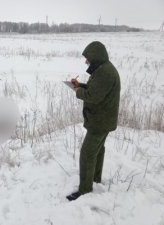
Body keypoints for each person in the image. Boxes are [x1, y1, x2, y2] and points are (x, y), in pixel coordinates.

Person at [66, 41, 121, 201]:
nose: (86, 62)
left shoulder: (105, 73)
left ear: (96, 57)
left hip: (100, 121)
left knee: (87, 153)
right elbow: (95, 89)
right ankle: (95, 180)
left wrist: (77, 91)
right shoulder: (103, 69)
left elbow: (93, 96)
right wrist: (80, 85)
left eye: (88, 58)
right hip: (102, 119)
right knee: (97, 150)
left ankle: (85, 190)